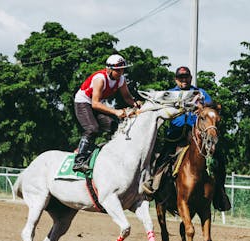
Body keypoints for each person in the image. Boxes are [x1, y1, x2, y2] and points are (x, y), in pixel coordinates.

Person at [144, 66, 231, 211]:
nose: (183, 80)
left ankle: (220, 193)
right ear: (176, 79)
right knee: (162, 159)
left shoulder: (200, 93)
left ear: (190, 78)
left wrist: (203, 106)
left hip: (197, 136)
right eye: (180, 78)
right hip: (175, 136)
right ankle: (153, 187)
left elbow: (212, 107)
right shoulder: (169, 94)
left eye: (186, 77)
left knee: (220, 159)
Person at [72, 54, 141, 172]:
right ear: (109, 69)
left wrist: (136, 105)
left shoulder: (121, 80)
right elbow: (95, 104)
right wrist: (115, 112)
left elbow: (127, 97)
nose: (120, 73)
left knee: (114, 126)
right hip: (84, 102)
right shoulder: (100, 79)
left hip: (96, 103)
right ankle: (79, 160)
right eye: (118, 70)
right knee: (92, 128)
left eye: (122, 70)